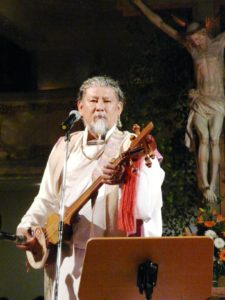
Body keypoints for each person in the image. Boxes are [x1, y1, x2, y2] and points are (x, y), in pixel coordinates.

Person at [16, 76, 165, 300]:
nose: (100, 107)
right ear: (80, 107)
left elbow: (147, 204)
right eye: (93, 100)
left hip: (112, 257)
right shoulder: (64, 147)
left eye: (107, 101)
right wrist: (27, 228)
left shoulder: (130, 145)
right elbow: (46, 198)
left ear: (119, 108)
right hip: (66, 257)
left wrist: (125, 181)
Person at [132, 0, 225, 202]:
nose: (195, 42)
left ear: (203, 33)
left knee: (214, 140)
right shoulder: (193, 51)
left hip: (217, 101)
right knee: (203, 139)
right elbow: (160, 23)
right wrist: (139, 4)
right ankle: (205, 186)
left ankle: (213, 185)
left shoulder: (219, 44)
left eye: (197, 37)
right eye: (191, 39)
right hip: (200, 101)